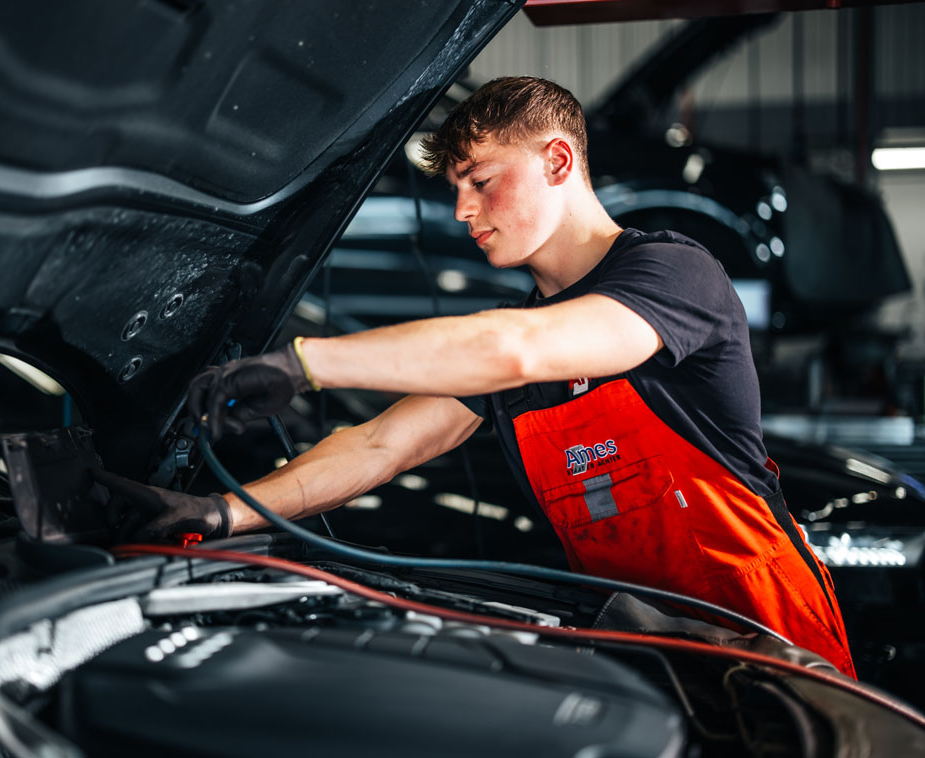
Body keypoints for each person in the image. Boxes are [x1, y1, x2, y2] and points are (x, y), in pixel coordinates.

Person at [97, 76, 856, 678]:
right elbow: (378, 447)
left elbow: (521, 350)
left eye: (481, 181)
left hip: (769, 635)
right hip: (649, 637)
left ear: (558, 162)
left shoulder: (672, 273)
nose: (462, 209)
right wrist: (220, 514)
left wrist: (303, 363)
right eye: (455, 187)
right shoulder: (511, 331)